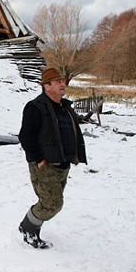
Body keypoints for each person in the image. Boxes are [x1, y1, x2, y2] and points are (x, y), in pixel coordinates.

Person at [17, 67, 87, 249]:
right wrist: (38, 159)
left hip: (63, 164)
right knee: (52, 204)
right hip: (45, 165)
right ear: (46, 86)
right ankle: (28, 228)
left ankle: (30, 227)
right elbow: (26, 136)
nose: (63, 84)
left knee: (52, 202)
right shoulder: (35, 107)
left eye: (63, 81)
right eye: (58, 81)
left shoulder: (65, 107)